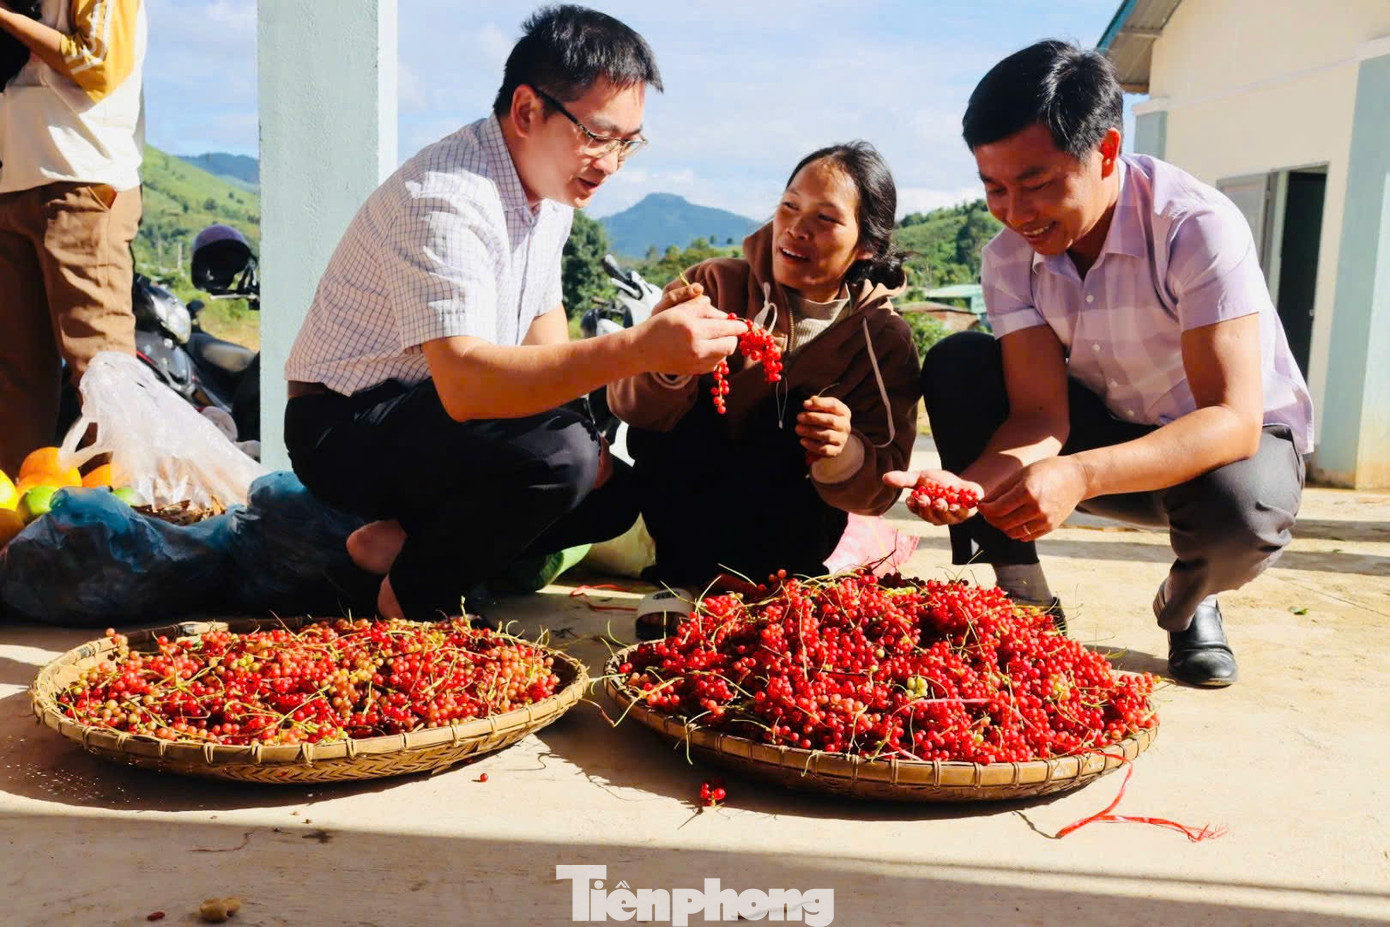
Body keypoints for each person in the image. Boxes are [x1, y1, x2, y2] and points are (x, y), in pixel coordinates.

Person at [284, 5, 748, 622]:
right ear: (528, 111)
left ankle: (398, 543)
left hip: (434, 419)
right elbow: (467, 384)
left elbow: (542, 320)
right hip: (346, 423)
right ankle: (414, 595)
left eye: (627, 144)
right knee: (561, 458)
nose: (609, 164)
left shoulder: (549, 191)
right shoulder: (446, 198)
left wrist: (588, 427)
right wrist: (640, 349)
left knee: (611, 490)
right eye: (596, 136)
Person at [885, 40, 1313, 688]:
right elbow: (1038, 415)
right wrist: (975, 485)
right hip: (1109, 426)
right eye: (994, 188)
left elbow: (1231, 419)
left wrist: (1079, 475)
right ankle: (1026, 602)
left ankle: (1188, 603)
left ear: (1107, 150)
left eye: (1036, 183)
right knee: (959, 363)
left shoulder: (1194, 227)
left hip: (1226, 449)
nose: (1016, 212)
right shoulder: (1010, 258)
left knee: (1241, 506)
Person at [610, 141, 921, 638]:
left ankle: (781, 589)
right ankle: (680, 582)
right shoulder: (711, 285)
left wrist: (842, 451)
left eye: (826, 219)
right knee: (693, 400)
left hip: (793, 530)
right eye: (790, 206)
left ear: (866, 245)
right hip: (691, 512)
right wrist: (663, 356)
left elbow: (883, 480)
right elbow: (632, 410)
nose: (797, 228)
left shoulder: (883, 339)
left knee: (795, 415)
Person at [0, 0, 146, 476]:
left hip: (81, 183)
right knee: (16, 381)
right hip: (12, 184)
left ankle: (121, 527)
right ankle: (18, 533)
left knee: (101, 373)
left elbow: (100, 66)